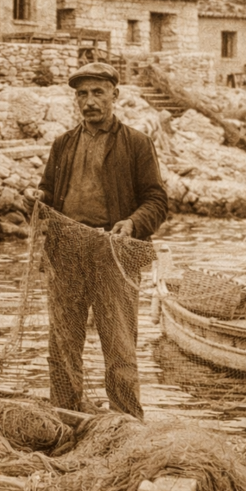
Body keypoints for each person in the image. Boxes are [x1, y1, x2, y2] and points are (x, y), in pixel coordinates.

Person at [37, 62, 168, 418]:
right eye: (82, 94)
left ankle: (126, 423)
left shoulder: (136, 144)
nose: (90, 101)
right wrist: (36, 201)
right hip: (66, 255)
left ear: (115, 95)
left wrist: (132, 223)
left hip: (114, 255)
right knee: (62, 346)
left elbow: (157, 201)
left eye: (98, 92)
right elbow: (47, 192)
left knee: (120, 347)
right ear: (75, 99)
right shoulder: (63, 144)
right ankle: (65, 417)